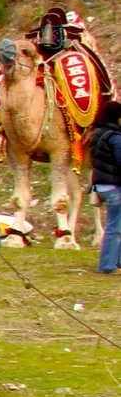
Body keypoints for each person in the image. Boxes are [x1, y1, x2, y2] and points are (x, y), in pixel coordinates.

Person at [92, 105, 121, 274]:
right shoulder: (115, 137)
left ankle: (116, 261)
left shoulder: (97, 133)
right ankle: (107, 265)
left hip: (101, 185)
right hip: (114, 186)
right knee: (114, 227)